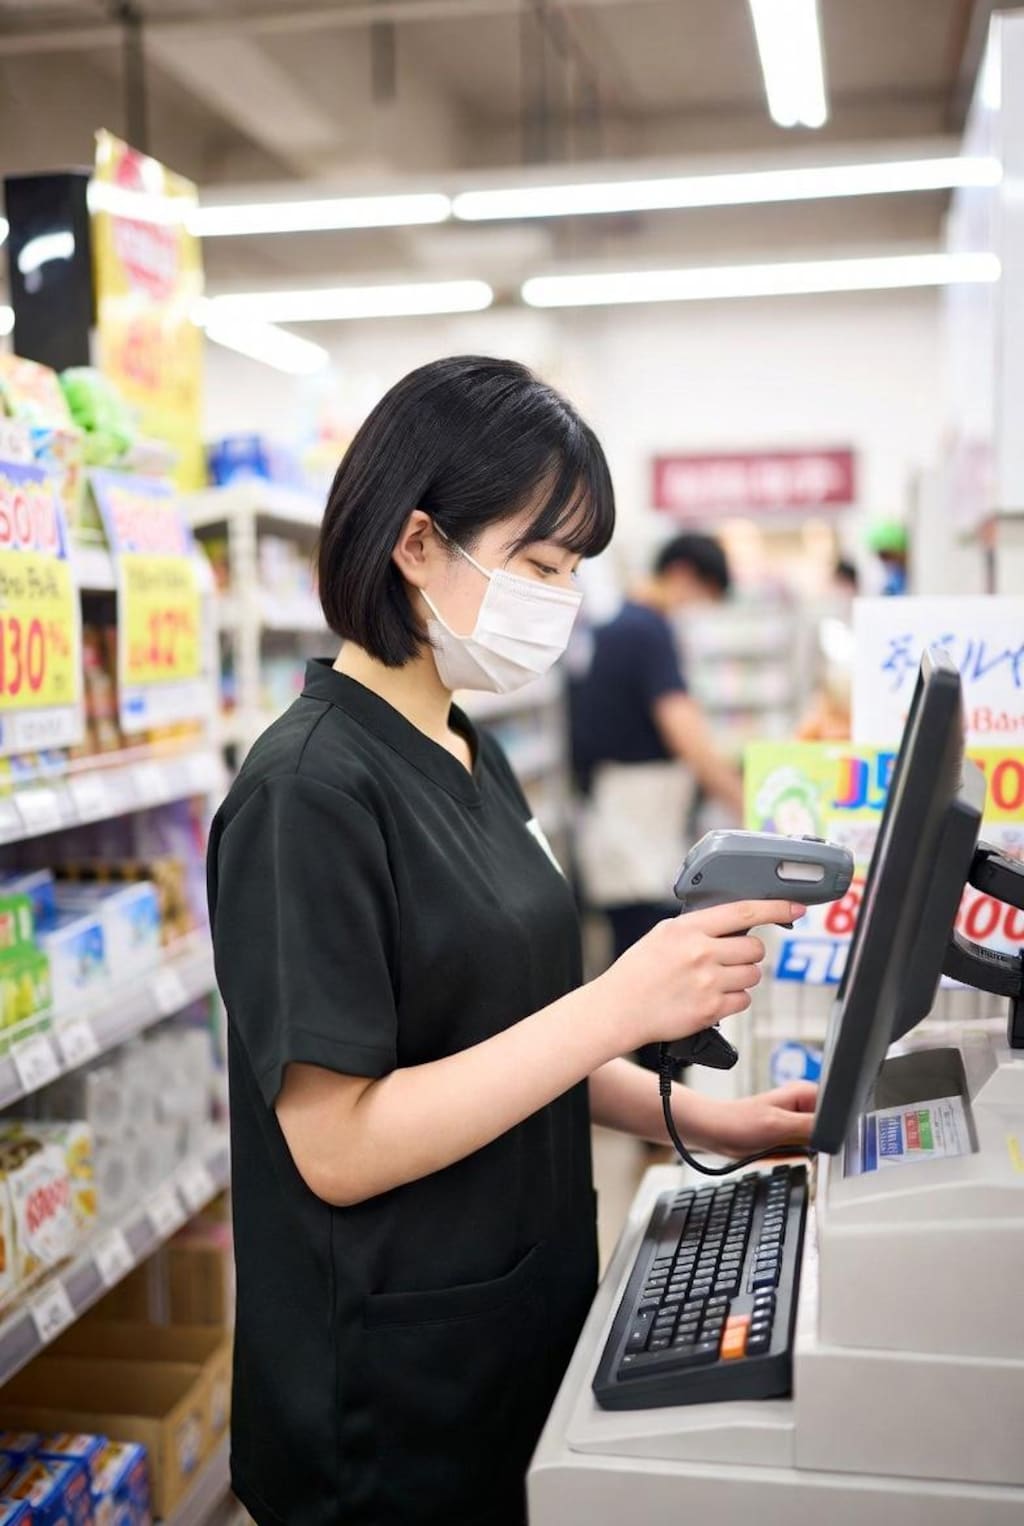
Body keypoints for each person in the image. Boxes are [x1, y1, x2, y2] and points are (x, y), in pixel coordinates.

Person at [207, 357, 815, 1526]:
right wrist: (622, 999)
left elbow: (502, 1037)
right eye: (538, 563)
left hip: (509, 1333)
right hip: (390, 1400)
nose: (562, 596)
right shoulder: (308, 790)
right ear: (417, 541)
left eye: (575, 569)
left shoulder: (466, 751)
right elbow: (334, 1145)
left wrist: (701, 1116)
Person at [570, 533, 744, 974]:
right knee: (647, 961)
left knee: (632, 950)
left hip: (625, 815)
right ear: (683, 574)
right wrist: (744, 800)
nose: (695, 611)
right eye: (702, 597)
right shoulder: (647, 630)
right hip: (636, 820)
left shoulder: (621, 626)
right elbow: (684, 731)